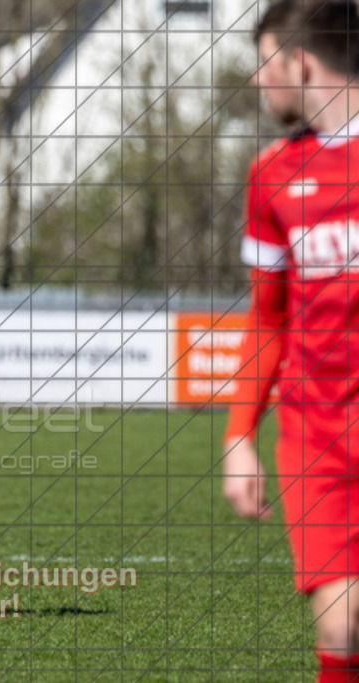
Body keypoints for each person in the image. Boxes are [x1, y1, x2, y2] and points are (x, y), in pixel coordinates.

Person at [222, 1, 359, 679]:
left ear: (299, 62)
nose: (258, 80)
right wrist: (239, 435)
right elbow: (267, 319)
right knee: (343, 622)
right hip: (318, 436)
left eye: (265, 61)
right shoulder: (271, 175)